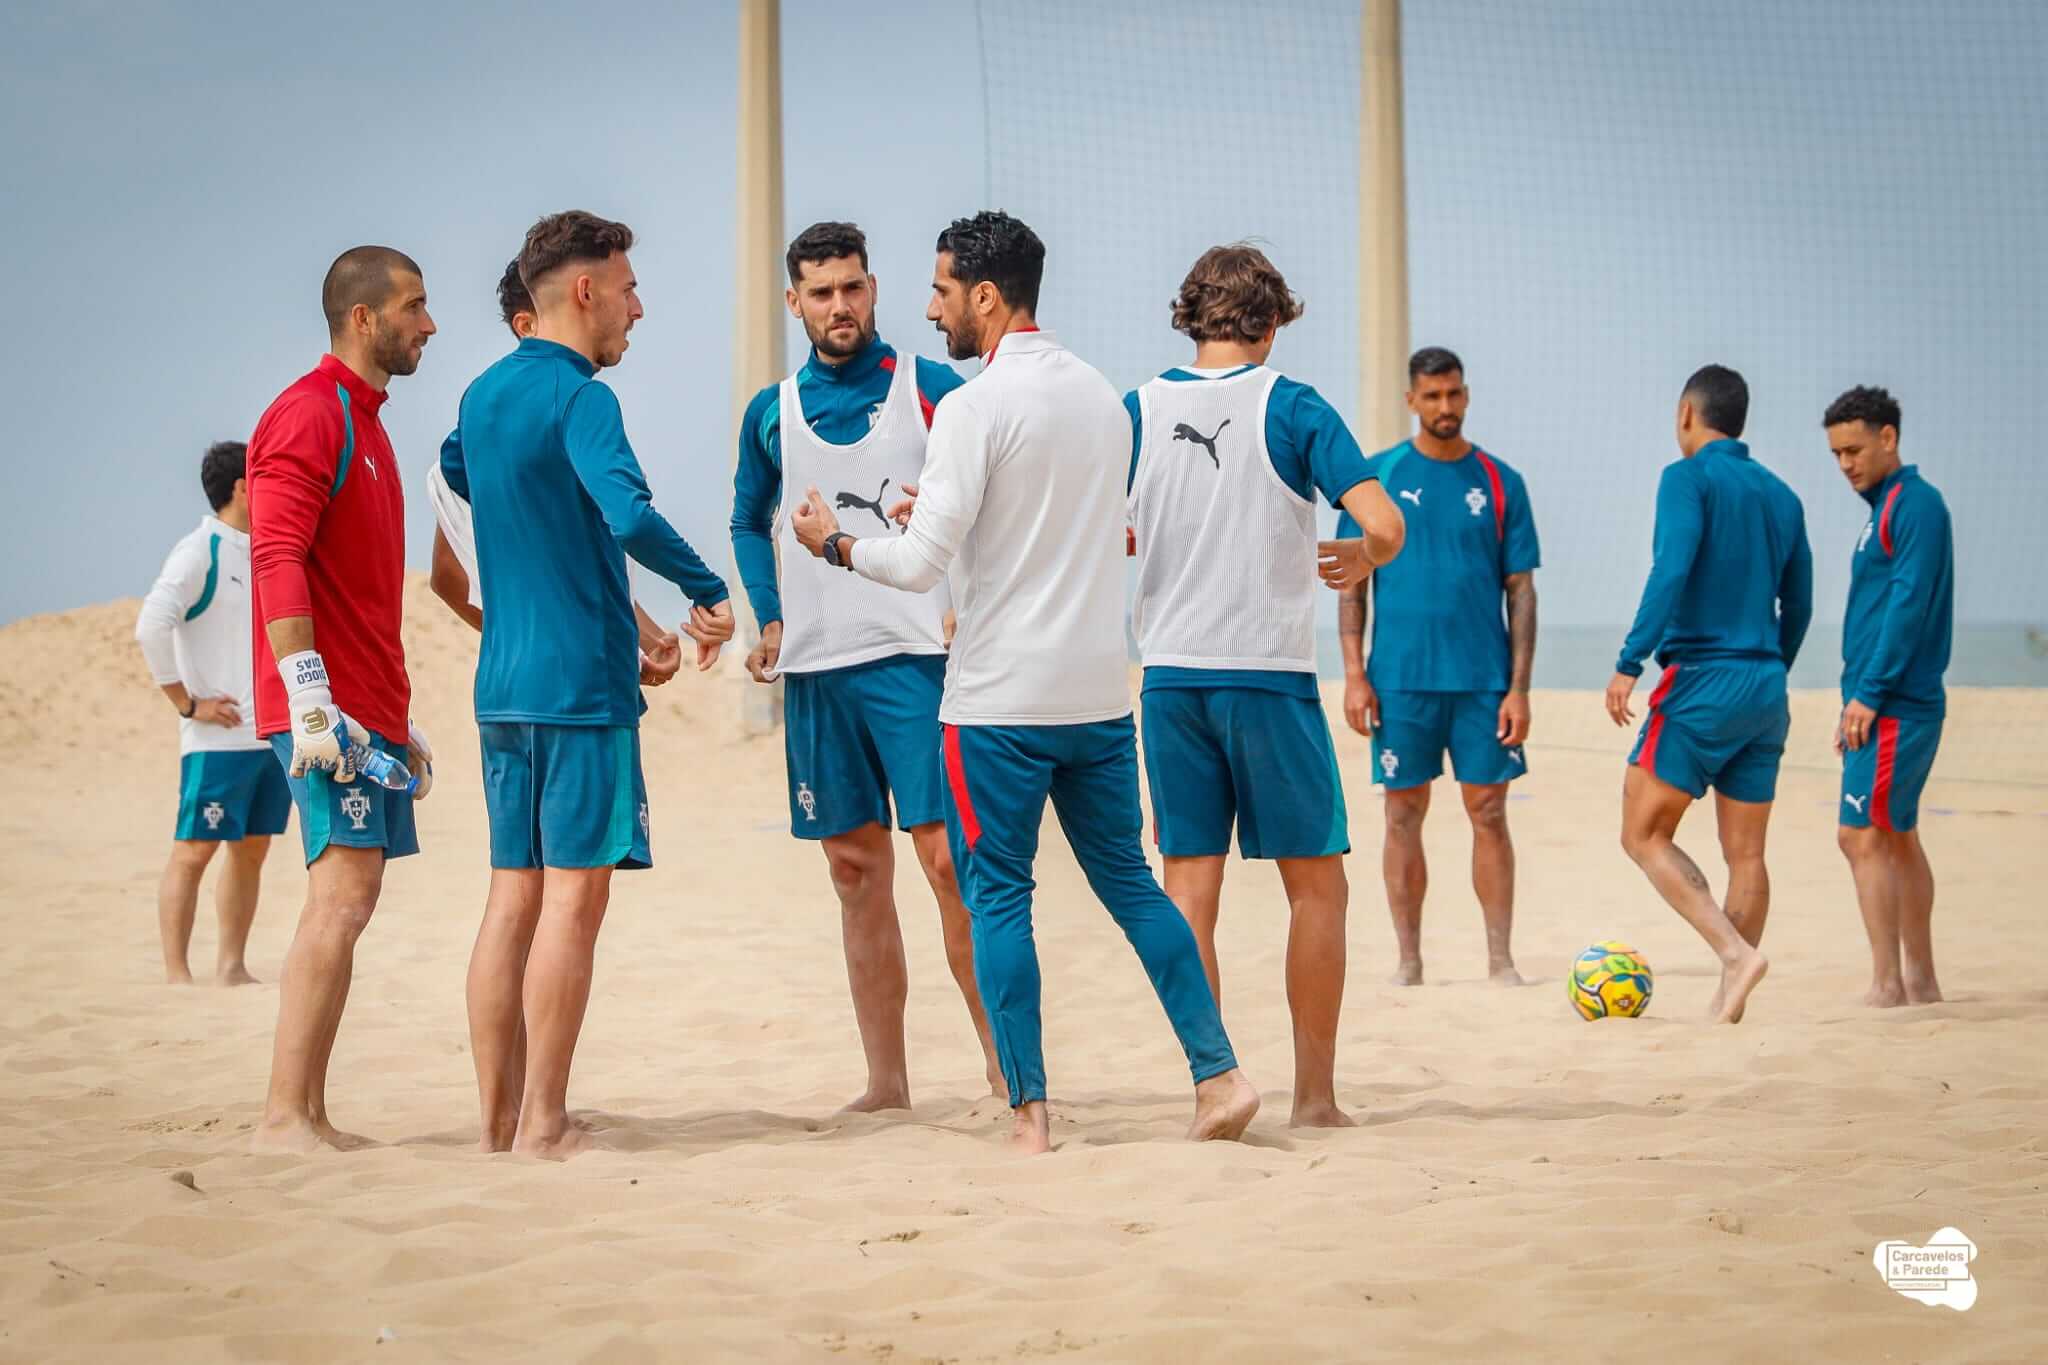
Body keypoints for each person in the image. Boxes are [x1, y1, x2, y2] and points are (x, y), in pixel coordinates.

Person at [791, 210, 1260, 1155]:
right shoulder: (1099, 395)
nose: (931, 309)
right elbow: (1059, 523)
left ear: (987, 298)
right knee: (1133, 887)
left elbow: (921, 566)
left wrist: (835, 543)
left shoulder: (970, 404)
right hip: (1095, 696)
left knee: (998, 896)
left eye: (941, 290)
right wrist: (948, 515)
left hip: (998, 704)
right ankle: (1221, 1077)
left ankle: (1030, 1116)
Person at [443, 210, 734, 1158]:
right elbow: (628, 513)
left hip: (502, 686)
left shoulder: (481, 397)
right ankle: (545, 1123)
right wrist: (703, 588)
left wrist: (622, 614)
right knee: (573, 900)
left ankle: (497, 1123)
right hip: (578, 692)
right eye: (629, 287)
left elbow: (469, 484)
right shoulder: (583, 398)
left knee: (509, 898)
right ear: (584, 290)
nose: (637, 308)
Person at [1124, 243, 1403, 1127]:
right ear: (1272, 323)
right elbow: (1386, 523)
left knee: (1189, 889)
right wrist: (1361, 555)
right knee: (1318, 887)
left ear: (1191, 317)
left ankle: (1216, 1080)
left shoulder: (1136, 409)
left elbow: (1089, 528)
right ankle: (1314, 1099)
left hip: (1170, 678)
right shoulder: (1294, 405)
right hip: (1268, 678)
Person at [729, 221, 1003, 1110]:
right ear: (793, 302)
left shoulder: (932, 391)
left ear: (875, 288)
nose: (839, 306)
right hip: (818, 671)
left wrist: (972, 594)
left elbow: (986, 504)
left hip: (918, 662)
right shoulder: (771, 411)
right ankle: (887, 1084)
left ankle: (1008, 1069)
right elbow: (744, 519)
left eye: (852, 288)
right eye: (820, 292)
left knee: (948, 865)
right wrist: (768, 617)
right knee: (855, 873)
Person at [247, 246, 437, 1150]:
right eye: (413, 306)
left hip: (368, 710)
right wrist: (310, 695)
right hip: (323, 710)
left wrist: (400, 722)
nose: (428, 324)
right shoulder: (308, 414)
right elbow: (274, 556)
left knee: (349, 902)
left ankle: (311, 1110)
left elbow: (361, 590)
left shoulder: (370, 424)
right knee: (339, 900)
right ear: (364, 318)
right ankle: (285, 1113)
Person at [1606, 364, 1811, 1024]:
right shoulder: (1782, 495)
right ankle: (1731, 1002)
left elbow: (1671, 566)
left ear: (1686, 414)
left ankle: (1733, 954)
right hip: (1765, 682)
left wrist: (1629, 661)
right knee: (1746, 852)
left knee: (1641, 831)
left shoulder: (1685, 478)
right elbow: (1800, 600)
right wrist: (1772, 667)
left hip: (1703, 681)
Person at [1335, 346, 1542, 986]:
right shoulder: (1378, 477)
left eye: (1453, 394)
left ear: (1466, 395)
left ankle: (1500, 958)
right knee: (1402, 816)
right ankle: (1409, 959)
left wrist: (1519, 689)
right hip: (1400, 681)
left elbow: (1521, 591)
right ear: (1411, 401)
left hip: (1483, 683)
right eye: (1432, 396)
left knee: (1489, 814)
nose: (1444, 407)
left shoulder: (1502, 481)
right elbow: (1352, 587)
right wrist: (1354, 675)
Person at [425, 258, 682, 686]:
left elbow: (580, 569)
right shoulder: (493, 421)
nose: (634, 311)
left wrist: (644, 641)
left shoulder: (575, 409)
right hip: (565, 691)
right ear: (526, 325)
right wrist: (538, 645)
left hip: (534, 685)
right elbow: (447, 576)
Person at [134, 440, 290, 986]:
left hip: (267, 736)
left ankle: (231, 965)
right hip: (216, 740)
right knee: (195, 851)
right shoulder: (201, 549)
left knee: (252, 851)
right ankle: (177, 975)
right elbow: (151, 624)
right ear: (244, 488)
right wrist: (187, 703)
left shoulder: (268, 548)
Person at [1824, 386, 1953, 1007]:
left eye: (1853, 449)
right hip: (1879, 700)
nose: (1846, 464)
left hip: (1897, 702)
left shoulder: (1916, 505)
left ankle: (1888, 985)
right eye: (1836, 455)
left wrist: (1869, 694)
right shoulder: (1884, 509)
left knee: (1863, 837)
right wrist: (1854, 698)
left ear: (1888, 438)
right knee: (1896, 834)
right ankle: (1920, 982)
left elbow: (1907, 604)